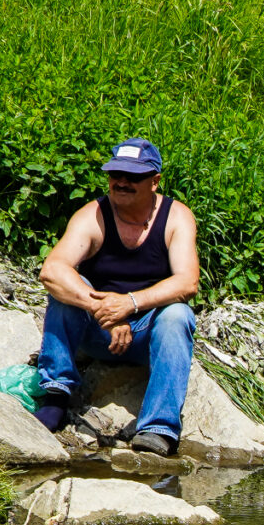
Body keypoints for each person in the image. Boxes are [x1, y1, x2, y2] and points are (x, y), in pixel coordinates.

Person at [33, 138, 202, 455]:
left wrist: (130, 303)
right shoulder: (92, 215)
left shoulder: (176, 217)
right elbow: (52, 270)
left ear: (154, 181)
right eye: (116, 174)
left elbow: (187, 282)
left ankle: (158, 429)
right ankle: (56, 395)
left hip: (146, 336)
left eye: (133, 177)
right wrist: (104, 310)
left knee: (178, 314)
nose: (122, 182)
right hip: (98, 331)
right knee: (68, 286)